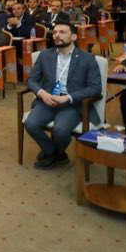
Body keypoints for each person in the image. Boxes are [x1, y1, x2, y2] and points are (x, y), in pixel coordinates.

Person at [23, 22, 102, 169]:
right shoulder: (45, 55)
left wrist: (68, 97)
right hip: (47, 100)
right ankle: (56, 154)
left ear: (73, 37)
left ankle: (51, 154)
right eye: (54, 32)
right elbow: (31, 80)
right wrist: (42, 93)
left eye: (62, 32)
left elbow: (95, 88)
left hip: (71, 104)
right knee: (31, 124)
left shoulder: (87, 58)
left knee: (60, 130)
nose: (57, 35)